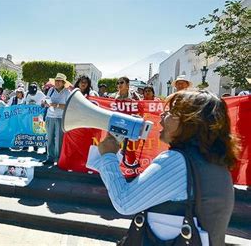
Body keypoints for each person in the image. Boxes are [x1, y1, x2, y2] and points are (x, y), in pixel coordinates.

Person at [95, 90, 238, 245]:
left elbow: (124, 202)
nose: (162, 117)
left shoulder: (178, 160)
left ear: (190, 122)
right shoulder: (217, 162)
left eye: (170, 112)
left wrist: (108, 156)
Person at [43, 73, 71, 164]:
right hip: (49, 117)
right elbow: (47, 100)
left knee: (59, 140)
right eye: (56, 80)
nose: (57, 82)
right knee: (49, 138)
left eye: (59, 81)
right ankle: (50, 157)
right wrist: (45, 103)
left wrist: (57, 105)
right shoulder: (51, 90)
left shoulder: (67, 92)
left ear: (63, 82)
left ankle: (59, 159)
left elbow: (69, 106)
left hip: (60, 118)